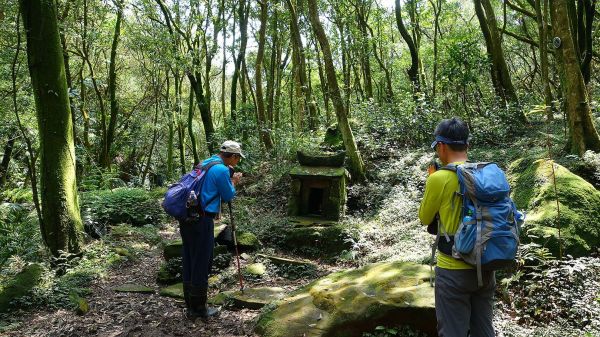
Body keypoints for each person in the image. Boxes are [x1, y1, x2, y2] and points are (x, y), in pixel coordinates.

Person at [419, 118, 496, 337]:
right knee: (484, 330)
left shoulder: (439, 178)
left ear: (441, 146)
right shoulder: (485, 174)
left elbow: (425, 218)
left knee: (453, 332)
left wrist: (433, 179)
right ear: (467, 145)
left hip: (453, 268)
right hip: (487, 264)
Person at [181, 140, 244, 320]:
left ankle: (190, 304)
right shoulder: (222, 170)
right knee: (202, 260)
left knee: (189, 256)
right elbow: (228, 195)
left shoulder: (206, 162)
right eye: (238, 157)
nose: (238, 161)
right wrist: (234, 181)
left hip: (187, 217)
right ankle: (198, 309)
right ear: (232, 156)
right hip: (202, 219)